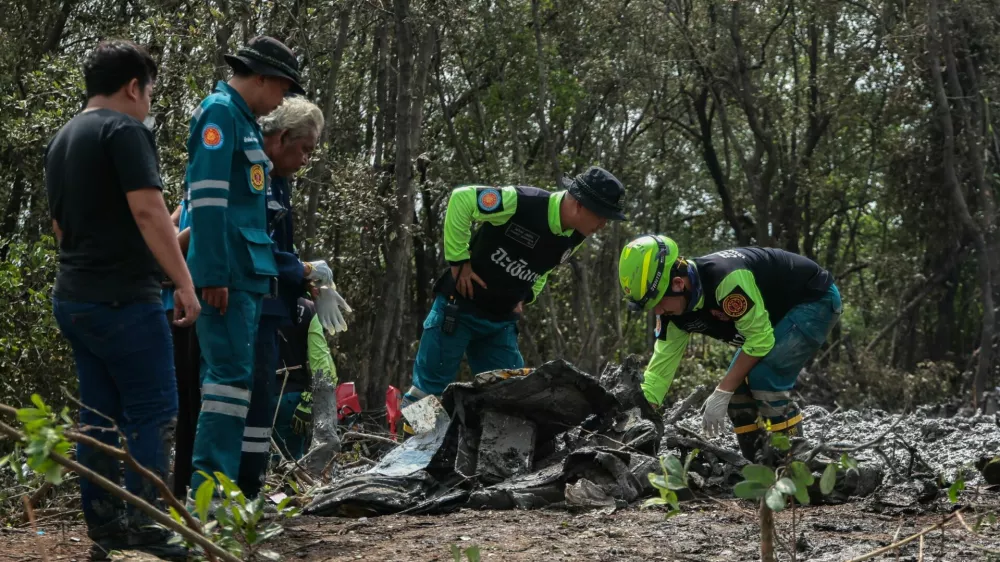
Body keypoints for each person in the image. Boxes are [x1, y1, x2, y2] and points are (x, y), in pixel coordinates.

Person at [44, 39, 199, 561]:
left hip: (74, 298)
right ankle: (146, 523)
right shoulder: (125, 130)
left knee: (100, 416)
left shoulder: (64, 137)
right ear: (134, 86)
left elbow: (62, 227)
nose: (149, 103)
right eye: (150, 92)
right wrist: (184, 282)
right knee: (154, 408)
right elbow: (148, 215)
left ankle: (106, 526)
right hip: (122, 303)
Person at [183, 35, 303, 500]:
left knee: (237, 390)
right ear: (261, 78)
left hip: (248, 275)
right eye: (282, 89)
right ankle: (207, 500)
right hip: (226, 276)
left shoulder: (244, 122)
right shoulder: (218, 113)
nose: (282, 100)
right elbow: (207, 203)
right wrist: (211, 273)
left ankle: (228, 498)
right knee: (226, 388)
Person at [402, 167, 628, 410]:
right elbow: (462, 199)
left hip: (499, 324)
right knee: (426, 393)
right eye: (601, 215)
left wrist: (527, 295)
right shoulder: (522, 202)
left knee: (513, 397)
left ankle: (487, 447)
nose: (603, 224)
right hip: (456, 310)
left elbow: (545, 268)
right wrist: (458, 261)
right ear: (580, 204)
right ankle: (413, 447)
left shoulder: (576, 235)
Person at [617, 236, 843, 462]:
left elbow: (760, 339)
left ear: (678, 284)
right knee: (737, 388)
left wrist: (721, 390)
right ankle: (758, 468)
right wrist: (635, 418)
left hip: (814, 299)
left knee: (764, 377)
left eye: (658, 301)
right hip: (769, 319)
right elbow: (657, 377)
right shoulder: (672, 316)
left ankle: (797, 465)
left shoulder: (725, 279)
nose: (657, 311)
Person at [237, 95, 351, 498]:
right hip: (242, 301)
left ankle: (250, 491)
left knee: (262, 402)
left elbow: (278, 249)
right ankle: (230, 493)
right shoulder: (253, 172)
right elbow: (253, 245)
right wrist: (301, 270)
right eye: (305, 149)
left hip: (273, 305)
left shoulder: (280, 183)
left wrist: (305, 283)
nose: (307, 160)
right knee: (238, 398)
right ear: (282, 137)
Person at [162, 201, 202, 501]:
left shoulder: (193, 194)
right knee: (181, 405)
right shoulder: (197, 194)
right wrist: (173, 251)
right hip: (179, 311)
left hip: (182, 309)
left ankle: (179, 490)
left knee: (189, 406)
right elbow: (169, 223)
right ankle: (173, 492)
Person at [272, 297, 339, 460]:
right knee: (290, 463)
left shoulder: (260, 301)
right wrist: (310, 400)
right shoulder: (308, 309)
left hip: (259, 393)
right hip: (292, 399)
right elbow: (320, 363)